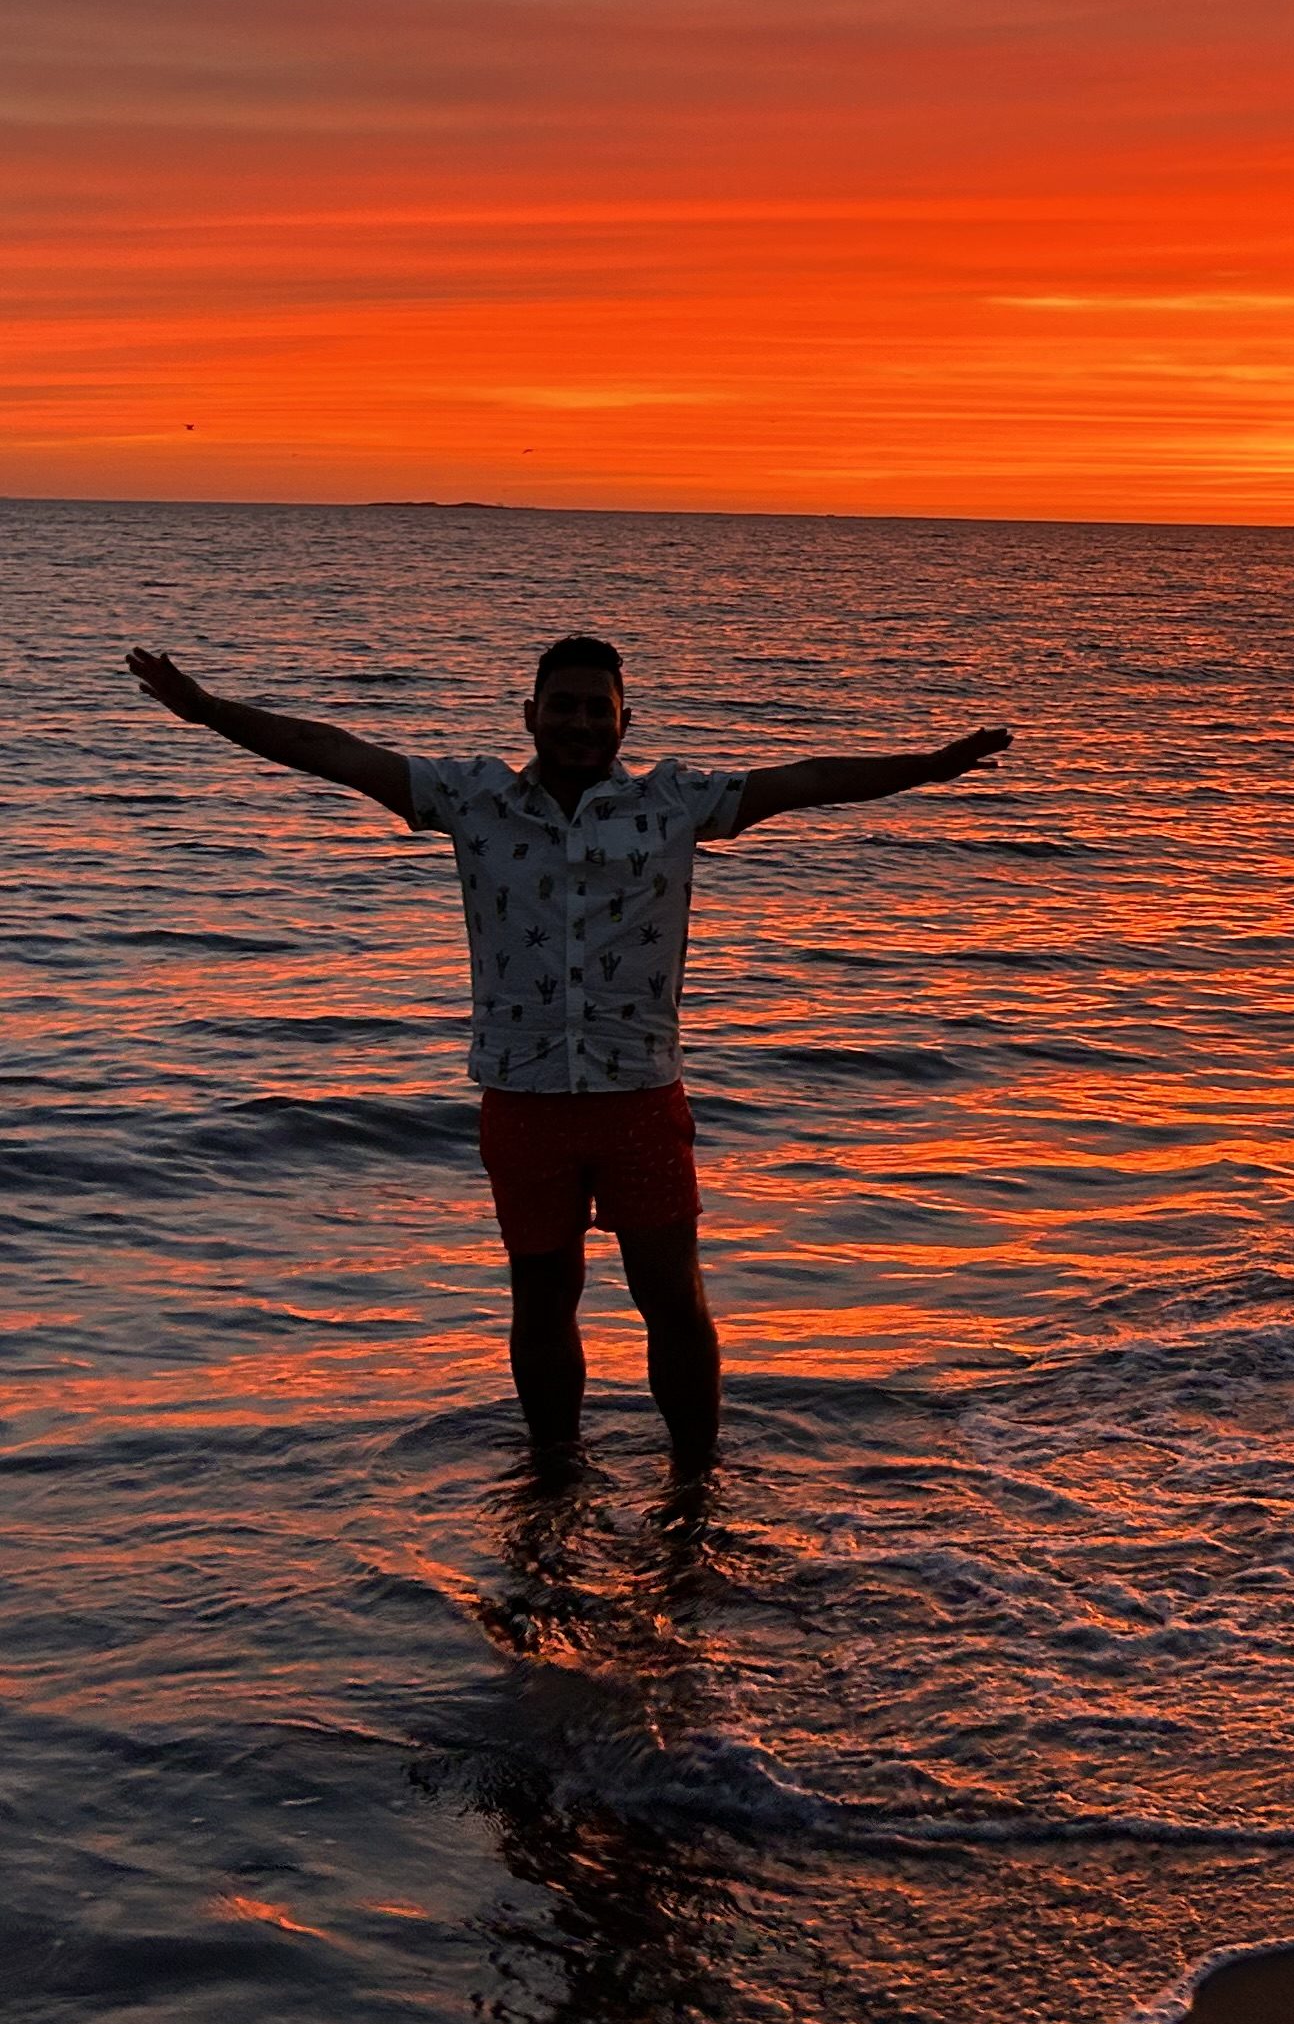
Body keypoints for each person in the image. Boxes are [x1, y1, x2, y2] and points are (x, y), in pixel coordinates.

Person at [123, 634, 1011, 1479]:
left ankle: (697, 1477)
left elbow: (810, 779)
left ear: (625, 720)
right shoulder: (470, 799)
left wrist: (930, 768)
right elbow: (335, 750)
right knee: (542, 1300)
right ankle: (554, 1472)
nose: (580, 723)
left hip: (637, 1092)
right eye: (563, 707)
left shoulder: (674, 804)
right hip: (524, 1095)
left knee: (672, 1300)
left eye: (597, 709)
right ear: (530, 715)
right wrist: (207, 710)